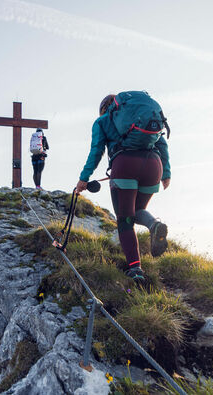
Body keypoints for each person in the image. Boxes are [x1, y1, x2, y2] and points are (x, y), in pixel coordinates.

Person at [76, 93, 171, 282]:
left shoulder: (102, 121)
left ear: (105, 108)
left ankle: (135, 269)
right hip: (153, 165)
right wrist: (166, 173)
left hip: (125, 165)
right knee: (138, 210)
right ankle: (154, 225)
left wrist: (84, 178)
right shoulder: (139, 118)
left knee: (125, 219)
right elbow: (162, 143)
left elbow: (96, 151)